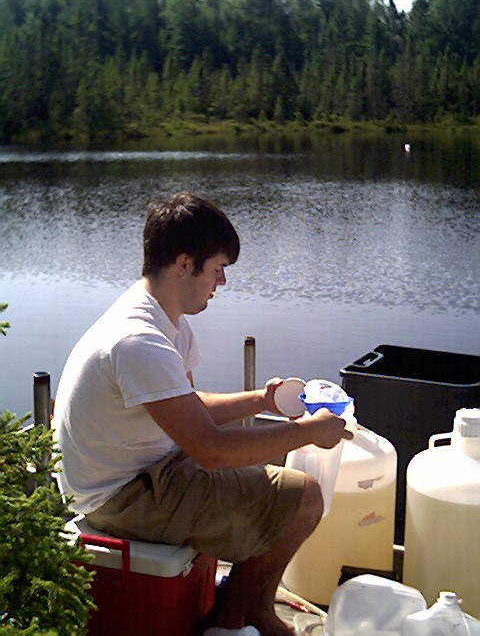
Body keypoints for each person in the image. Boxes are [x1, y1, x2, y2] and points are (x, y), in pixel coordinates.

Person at [54, 191, 353, 636]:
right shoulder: (138, 340)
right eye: (218, 269)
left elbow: (189, 411)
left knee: (258, 475)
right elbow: (209, 449)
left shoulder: (166, 322)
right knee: (305, 496)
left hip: (143, 471)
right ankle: (238, 616)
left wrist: (261, 401)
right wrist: (309, 432)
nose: (222, 282)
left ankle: (239, 609)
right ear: (183, 264)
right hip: (119, 497)